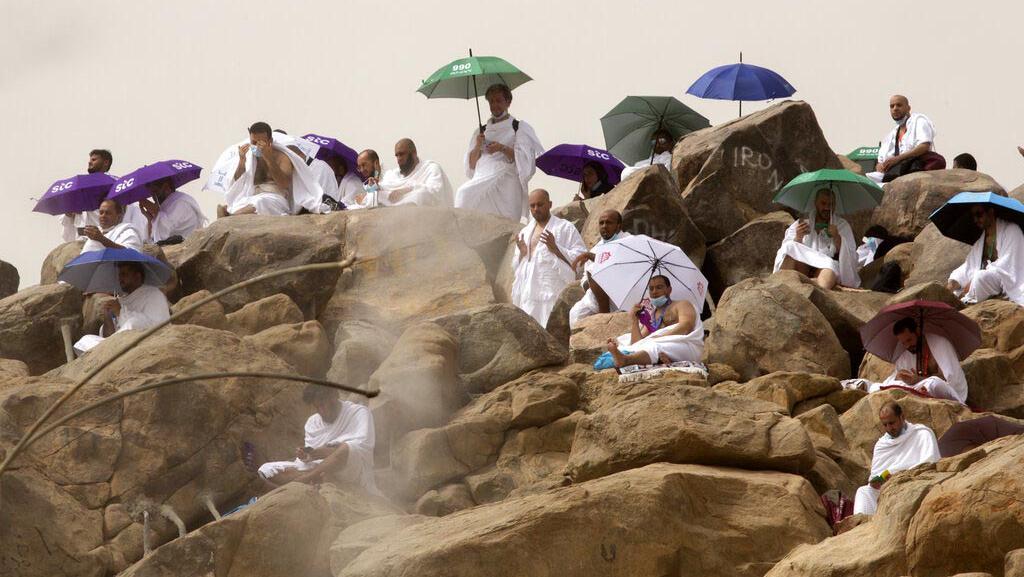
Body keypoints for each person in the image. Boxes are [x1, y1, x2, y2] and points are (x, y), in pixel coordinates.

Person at [257, 385, 377, 494]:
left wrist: (320, 453)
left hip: (350, 469)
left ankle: (304, 480)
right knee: (266, 469)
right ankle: (320, 479)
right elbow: (310, 458)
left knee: (348, 448)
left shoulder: (358, 412)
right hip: (320, 468)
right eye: (317, 406)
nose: (322, 410)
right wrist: (307, 455)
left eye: (324, 404)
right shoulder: (312, 422)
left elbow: (360, 449)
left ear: (334, 397)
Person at [455, 83, 544, 221]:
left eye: (498, 101)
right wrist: (478, 145)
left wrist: (501, 148)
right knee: (463, 194)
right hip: (483, 177)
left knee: (506, 220)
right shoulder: (481, 131)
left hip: (507, 179)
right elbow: (471, 165)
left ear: (508, 102)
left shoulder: (518, 128)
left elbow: (524, 161)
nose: (494, 105)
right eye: (491, 101)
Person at [844, 317, 968, 403]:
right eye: (903, 343)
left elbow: (948, 378)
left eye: (909, 340)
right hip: (918, 389)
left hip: (947, 391)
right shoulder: (906, 354)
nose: (908, 346)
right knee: (881, 386)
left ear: (918, 332)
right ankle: (862, 385)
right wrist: (901, 377)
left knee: (934, 383)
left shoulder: (940, 344)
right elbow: (900, 378)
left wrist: (918, 380)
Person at [511, 189, 587, 327]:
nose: (536, 209)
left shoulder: (564, 228)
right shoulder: (525, 232)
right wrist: (522, 254)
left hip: (552, 294)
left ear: (550, 204)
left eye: (540, 205)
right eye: (532, 206)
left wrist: (556, 249)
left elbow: (582, 259)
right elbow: (515, 267)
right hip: (528, 295)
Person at [217, 122, 322, 217]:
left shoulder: (282, 157)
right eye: (254, 142)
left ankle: (231, 218)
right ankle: (232, 213)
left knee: (260, 203)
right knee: (238, 204)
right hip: (251, 197)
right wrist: (241, 161)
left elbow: (284, 183)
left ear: (270, 141)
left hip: (274, 199)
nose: (257, 146)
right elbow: (237, 180)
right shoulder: (249, 157)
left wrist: (269, 158)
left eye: (261, 142)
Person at [853, 401, 940, 516]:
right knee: (863, 492)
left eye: (892, 423)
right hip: (888, 488)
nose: (889, 428)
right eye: (885, 425)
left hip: (915, 483)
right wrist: (878, 481)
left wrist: (900, 475)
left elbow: (930, 461)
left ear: (902, 417)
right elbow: (875, 477)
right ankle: (861, 525)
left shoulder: (921, 434)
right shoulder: (882, 444)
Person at [604, 275, 704, 368]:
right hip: (663, 346)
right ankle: (661, 359)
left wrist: (659, 338)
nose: (654, 292)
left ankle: (626, 360)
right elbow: (637, 343)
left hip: (686, 346)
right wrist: (635, 320)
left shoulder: (682, 304)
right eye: (651, 289)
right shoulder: (651, 315)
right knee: (637, 346)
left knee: (654, 346)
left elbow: (686, 326)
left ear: (669, 290)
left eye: (659, 287)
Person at [72, 261, 170, 355]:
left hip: (147, 341)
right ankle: (106, 352)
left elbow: (157, 325)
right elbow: (108, 336)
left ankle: (107, 351)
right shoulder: (121, 300)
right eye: (119, 275)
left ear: (137, 276)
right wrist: (107, 317)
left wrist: (120, 312)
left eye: (124, 274)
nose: (120, 279)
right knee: (85, 340)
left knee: (133, 323)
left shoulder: (153, 294)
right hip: (116, 345)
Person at [773, 188, 860, 289]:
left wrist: (837, 237)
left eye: (830, 205)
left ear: (835, 206)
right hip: (803, 267)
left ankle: (817, 297)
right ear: (816, 203)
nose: (827, 208)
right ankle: (785, 290)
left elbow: (851, 255)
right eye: (823, 203)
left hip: (825, 267)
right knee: (789, 250)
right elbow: (786, 248)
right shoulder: (802, 224)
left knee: (830, 269)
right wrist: (798, 237)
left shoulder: (842, 225)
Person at [947, 204, 1024, 305]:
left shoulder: (1012, 230)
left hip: (1007, 279)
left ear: (991, 212)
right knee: (956, 287)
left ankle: (969, 299)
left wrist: (973, 281)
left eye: (979, 214)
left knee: (980, 277)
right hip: (988, 281)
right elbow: (969, 266)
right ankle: (968, 296)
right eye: (973, 216)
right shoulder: (980, 241)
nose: (975, 220)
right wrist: (953, 283)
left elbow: (1009, 264)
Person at [569, 209, 630, 328]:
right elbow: (584, 279)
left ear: (618, 226)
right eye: (601, 223)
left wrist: (591, 257)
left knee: (595, 271)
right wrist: (589, 283)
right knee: (576, 314)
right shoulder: (596, 248)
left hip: (622, 292)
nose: (604, 226)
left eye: (609, 223)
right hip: (597, 296)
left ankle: (605, 317)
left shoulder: (628, 241)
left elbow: (617, 263)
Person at [867, 95, 944, 183]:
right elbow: (881, 160)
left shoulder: (919, 121)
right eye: (892, 106)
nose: (895, 108)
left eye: (899, 105)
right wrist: (880, 165)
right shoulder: (892, 134)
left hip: (916, 169)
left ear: (908, 108)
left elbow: (924, 146)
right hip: (897, 173)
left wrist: (898, 159)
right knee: (868, 178)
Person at [379, 138, 454, 207]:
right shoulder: (392, 174)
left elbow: (434, 192)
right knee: (375, 196)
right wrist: (374, 186)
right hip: (394, 209)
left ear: (414, 153)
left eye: (401, 154)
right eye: (397, 155)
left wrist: (405, 190)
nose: (399, 159)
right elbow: (384, 188)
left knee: (420, 195)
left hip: (420, 211)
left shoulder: (430, 168)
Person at [138, 177, 207, 243]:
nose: (153, 197)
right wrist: (150, 218)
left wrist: (156, 213)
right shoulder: (167, 207)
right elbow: (151, 240)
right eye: (152, 194)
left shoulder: (181, 203)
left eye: (155, 191)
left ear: (166, 187)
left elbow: (166, 235)